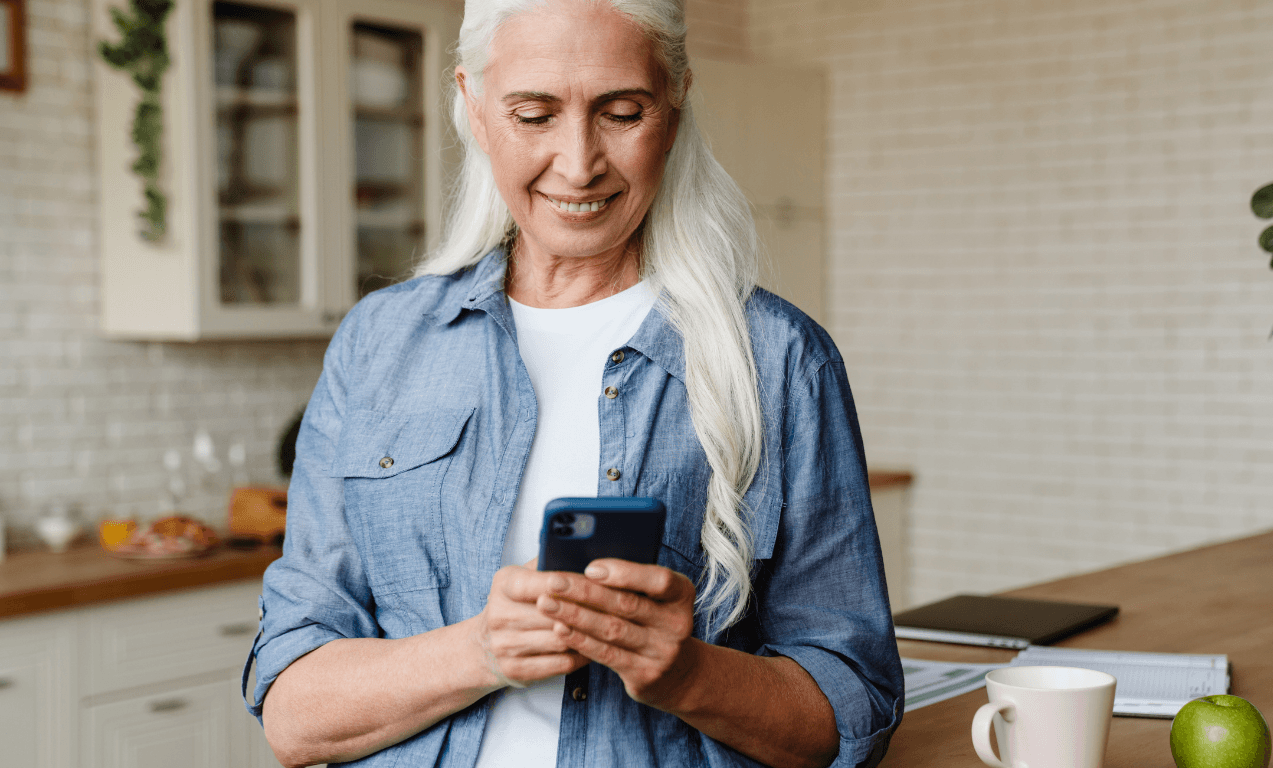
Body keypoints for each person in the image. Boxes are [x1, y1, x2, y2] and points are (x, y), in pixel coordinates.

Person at [242, 0, 903, 766]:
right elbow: (293, 713)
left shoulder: (781, 360)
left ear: (676, 103)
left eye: (622, 113)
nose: (579, 162)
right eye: (534, 115)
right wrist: (481, 650)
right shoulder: (379, 344)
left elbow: (852, 710)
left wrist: (687, 674)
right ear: (473, 105)